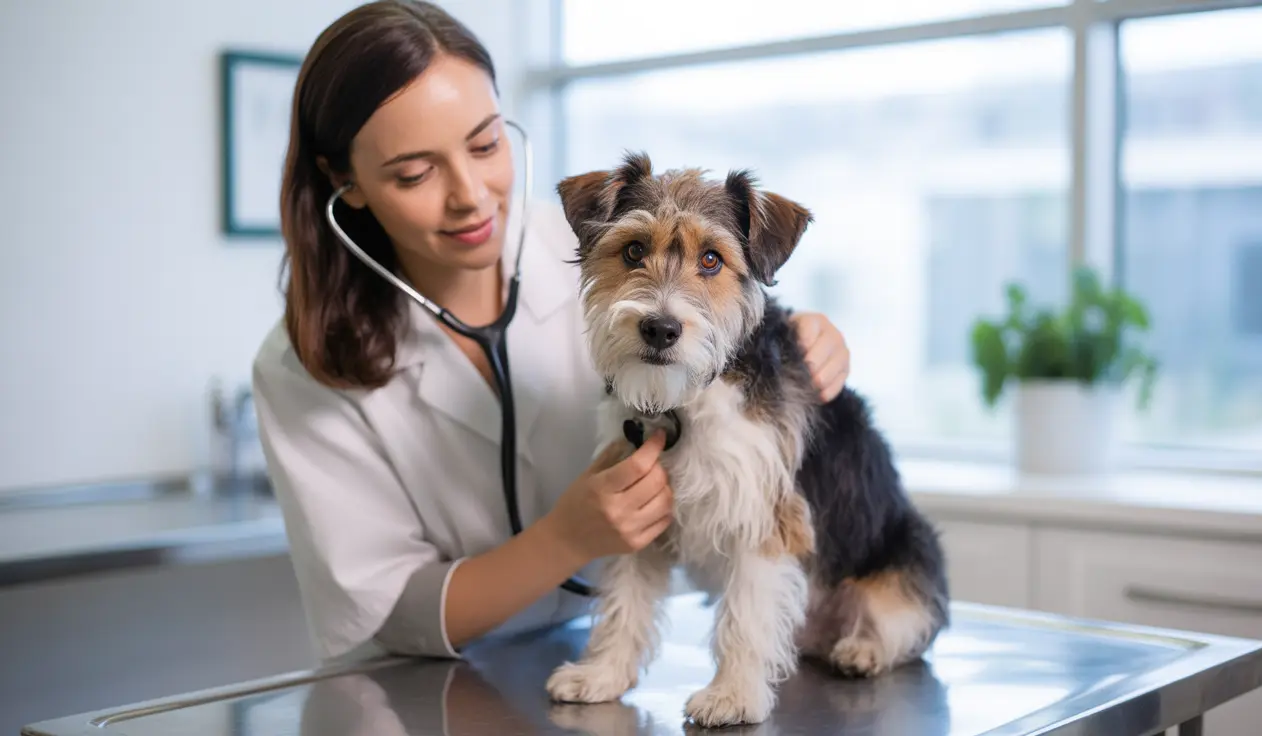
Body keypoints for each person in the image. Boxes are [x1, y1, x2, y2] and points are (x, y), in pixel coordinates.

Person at [251, 0, 852, 666]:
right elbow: (383, 607)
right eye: (415, 172)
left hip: (591, 650)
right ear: (347, 181)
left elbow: (722, 341)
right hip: (419, 681)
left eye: (485, 144)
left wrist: (806, 339)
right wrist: (564, 539)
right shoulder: (300, 365)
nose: (471, 195)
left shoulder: (590, 241)